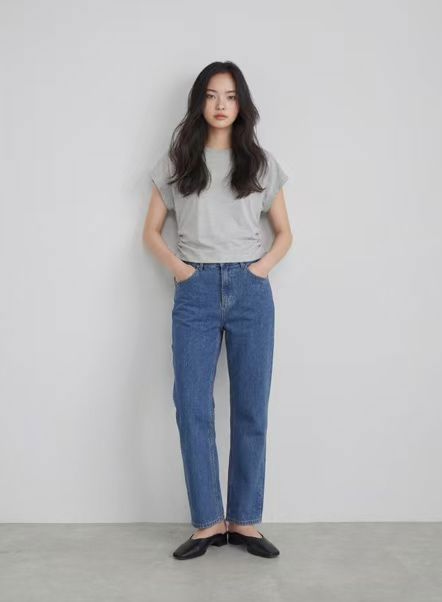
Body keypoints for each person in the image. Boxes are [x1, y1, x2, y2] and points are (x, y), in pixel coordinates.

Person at [143, 61, 293, 560]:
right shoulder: (177, 162)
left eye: (229, 95)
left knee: (251, 407)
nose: (221, 104)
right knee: (192, 406)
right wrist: (182, 270)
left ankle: (244, 520)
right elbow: (150, 233)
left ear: (241, 103)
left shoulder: (261, 163)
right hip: (196, 291)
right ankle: (208, 523)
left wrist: (259, 269)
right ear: (199, 103)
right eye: (211, 95)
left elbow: (285, 233)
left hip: (251, 291)